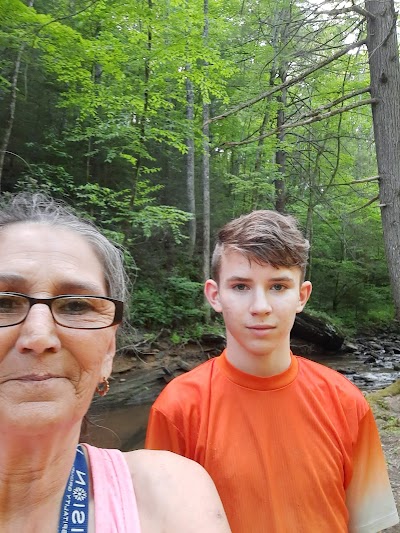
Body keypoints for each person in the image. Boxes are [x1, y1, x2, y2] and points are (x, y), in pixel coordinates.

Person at [145, 210, 399, 533]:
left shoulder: (347, 403)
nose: (260, 306)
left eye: (278, 287)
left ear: (301, 296)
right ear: (215, 295)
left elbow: (370, 525)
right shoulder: (177, 410)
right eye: (240, 286)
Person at [0, 191, 231, 533]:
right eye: (4, 303)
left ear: (109, 350)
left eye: (76, 306)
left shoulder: (168, 498)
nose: (38, 337)